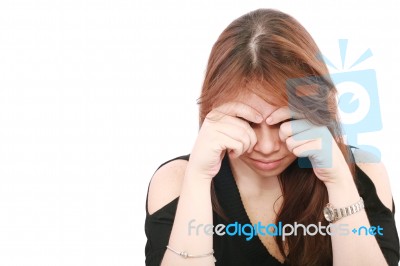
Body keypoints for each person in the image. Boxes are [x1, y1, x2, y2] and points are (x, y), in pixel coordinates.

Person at [144, 8, 399, 266]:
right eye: (246, 122)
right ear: (213, 110)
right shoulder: (176, 183)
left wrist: (339, 181)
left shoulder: (365, 171)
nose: (266, 147)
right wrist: (198, 180)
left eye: (286, 121)